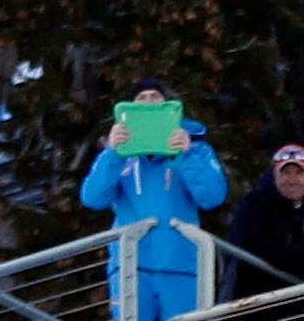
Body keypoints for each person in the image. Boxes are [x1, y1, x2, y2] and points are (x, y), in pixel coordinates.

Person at [78, 77, 229, 321]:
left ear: (168, 105)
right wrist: (113, 154)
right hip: (130, 266)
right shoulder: (119, 154)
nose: (148, 102)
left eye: (155, 97)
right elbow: (93, 198)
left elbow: (212, 197)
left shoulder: (195, 148)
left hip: (180, 265)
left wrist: (186, 155)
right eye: (141, 98)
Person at [227, 143, 304, 298]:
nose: (292, 180)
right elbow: (258, 248)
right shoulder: (254, 205)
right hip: (257, 298)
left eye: (299, 173)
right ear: (274, 176)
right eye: (285, 173)